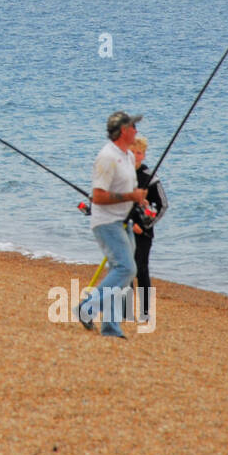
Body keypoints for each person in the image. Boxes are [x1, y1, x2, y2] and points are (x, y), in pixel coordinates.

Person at [75, 110, 147, 338]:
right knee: (127, 268)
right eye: (133, 127)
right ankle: (86, 308)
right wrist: (130, 197)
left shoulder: (126, 155)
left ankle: (111, 327)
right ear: (123, 131)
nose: (136, 131)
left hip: (124, 222)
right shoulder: (107, 157)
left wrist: (138, 198)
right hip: (107, 222)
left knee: (122, 276)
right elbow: (97, 196)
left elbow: (124, 190)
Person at [129, 135, 168, 321]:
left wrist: (145, 224)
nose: (137, 156)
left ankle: (144, 313)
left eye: (140, 153)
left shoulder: (150, 178)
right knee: (125, 268)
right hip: (123, 229)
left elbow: (163, 205)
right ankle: (126, 311)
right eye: (133, 152)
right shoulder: (121, 174)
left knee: (140, 269)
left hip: (143, 232)